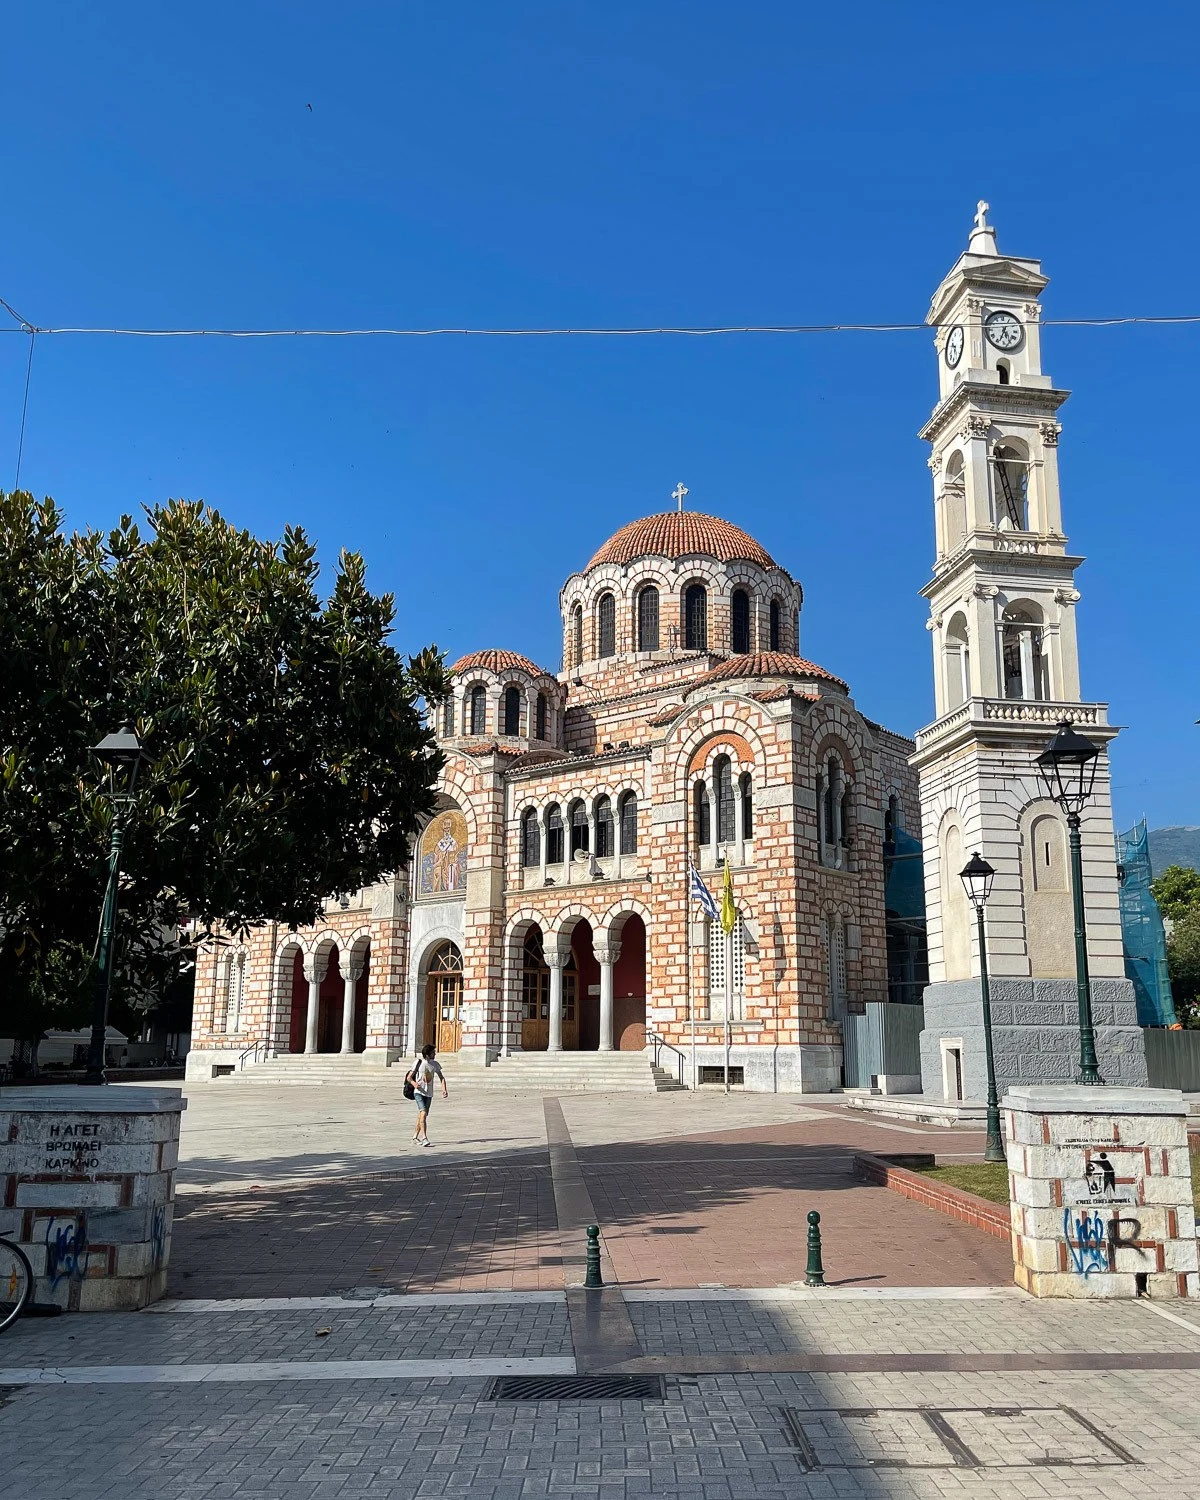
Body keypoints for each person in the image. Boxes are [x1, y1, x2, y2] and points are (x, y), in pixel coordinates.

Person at [408, 1043, 448, 1146]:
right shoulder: (418, 1062)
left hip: (429, 1094)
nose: (435, 1054)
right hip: (419, 1092)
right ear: (427, 1054)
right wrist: (414, 1084)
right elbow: (409, 1077)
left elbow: (441, 1077)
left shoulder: (435, 1064)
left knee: (422, 1116)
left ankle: (414, 1137)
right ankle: (424, 1138)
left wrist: (444, 1089)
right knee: (423, 1114)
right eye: (433, 1052)